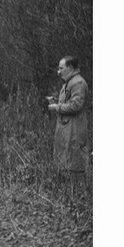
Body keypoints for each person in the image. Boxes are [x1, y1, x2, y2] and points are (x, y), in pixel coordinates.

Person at [47, 56, 90, 198]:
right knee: (67, 161)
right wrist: (56, 101)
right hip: (67, 129)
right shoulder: (69, 82)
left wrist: (57, 107)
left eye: (61, 68)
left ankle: (79, 198)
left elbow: (76, 105)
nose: (58, 72)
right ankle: (69, 196)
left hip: (75, 129)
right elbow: (70, 102)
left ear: (70, 68)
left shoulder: (77, 83)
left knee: (75, 161)